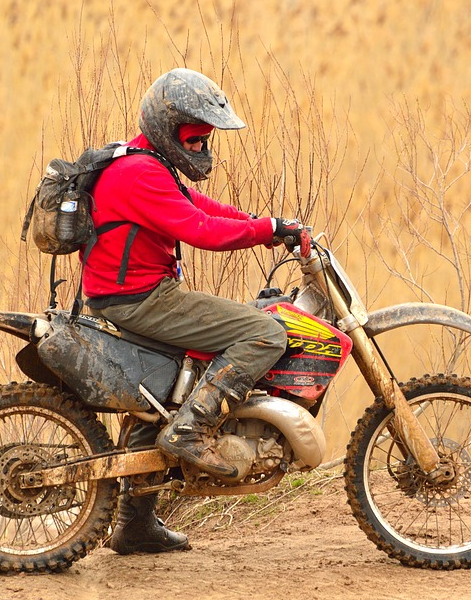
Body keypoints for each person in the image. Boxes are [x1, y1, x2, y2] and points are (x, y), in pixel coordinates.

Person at [82, 68, 306, 554]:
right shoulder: (140, 172)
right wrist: (264, 231)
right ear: (169, 128)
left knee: (158, 395)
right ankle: (192, 429)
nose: (203, 148)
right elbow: (200, 229)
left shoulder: (146, 161)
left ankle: (135, 526)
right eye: (196, 137)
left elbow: (201, 205)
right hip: (140, 298)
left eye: (206, 140)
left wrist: (269, 224)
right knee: (265, 332)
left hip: (125, 294)